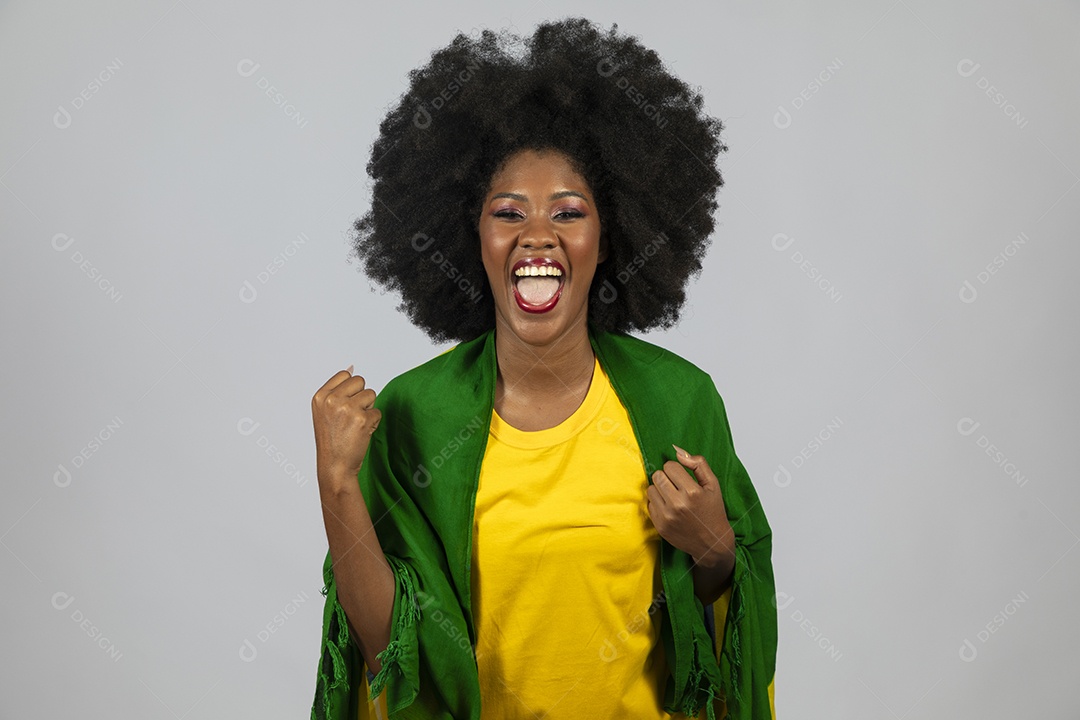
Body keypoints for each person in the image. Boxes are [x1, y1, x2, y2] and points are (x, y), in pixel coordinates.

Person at [309, 17, 776, 720]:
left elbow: (723, 638)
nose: (537, 235)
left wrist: (715, 547)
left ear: (608, 234)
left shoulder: (679, 400)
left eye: (568, 211)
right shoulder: (414, 415)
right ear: (471, 235)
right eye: (507, 212)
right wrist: (337, 484)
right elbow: (388, 651)